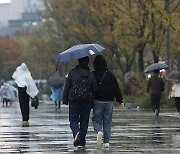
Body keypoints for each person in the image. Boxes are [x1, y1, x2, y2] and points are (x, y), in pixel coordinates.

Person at [63, 56, 97, 149]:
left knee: (73, 120)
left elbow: (67, 86)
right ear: (87, 62)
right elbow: (94, 88)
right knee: (84, 121)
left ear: (79, 61)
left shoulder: (72, 72)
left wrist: (65, 99)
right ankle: (81, 142)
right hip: (87, 101)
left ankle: (75, 132)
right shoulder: (90, 74)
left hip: (74, 100)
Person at [92, 55, 123, 148]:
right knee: (107, 121)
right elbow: (116, 88)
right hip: (109, 102)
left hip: (97, 101)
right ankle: (106, 142)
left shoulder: (93, 74)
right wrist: (120, 100)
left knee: (96, 120)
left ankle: (98, 131)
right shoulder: (110, 75)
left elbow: (90, 87)